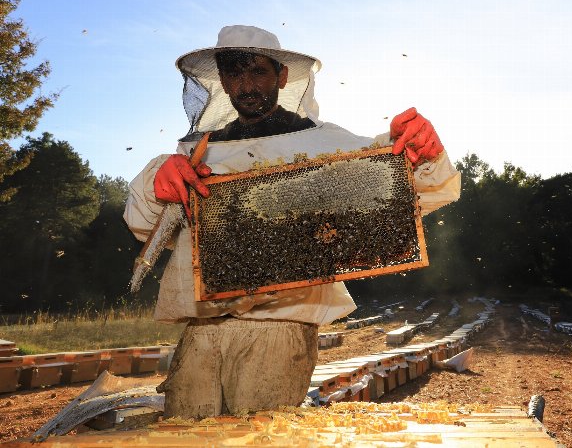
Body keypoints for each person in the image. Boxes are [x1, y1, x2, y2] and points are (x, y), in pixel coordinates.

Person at [124, 25, 460, 418]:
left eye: (257, 72)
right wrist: (157, 181)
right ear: (222, 81)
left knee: (258, 438)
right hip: (201, 333)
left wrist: (425, 152)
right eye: (234, 73)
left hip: (280, 331)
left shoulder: (322, 143)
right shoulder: (197, 152)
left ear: (282, 76)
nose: (245, 85)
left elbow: (414, 187)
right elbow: (144, 226)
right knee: (184, 435)